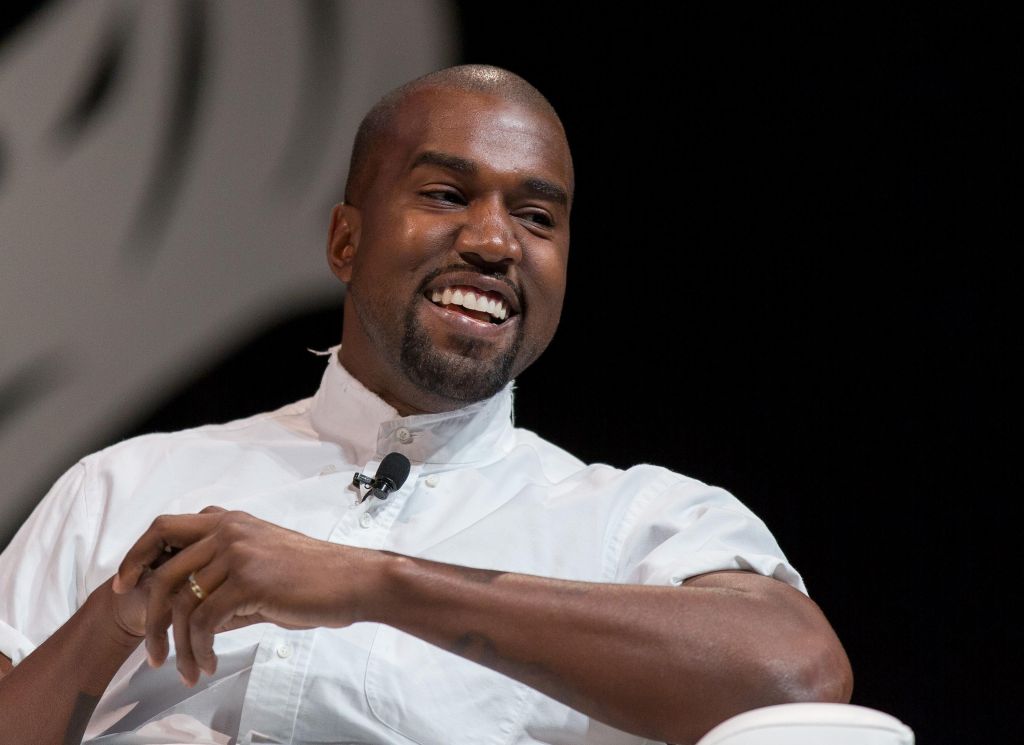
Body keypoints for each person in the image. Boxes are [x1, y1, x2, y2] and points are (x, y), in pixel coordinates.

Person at [0, 65, 852, 745]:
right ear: (345, 239)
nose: (492, 241)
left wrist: (372, 583)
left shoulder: (633, 524)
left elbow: (799, 674)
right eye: (447, 194)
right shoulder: (124, 485)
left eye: (536, 215)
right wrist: (112, 619)